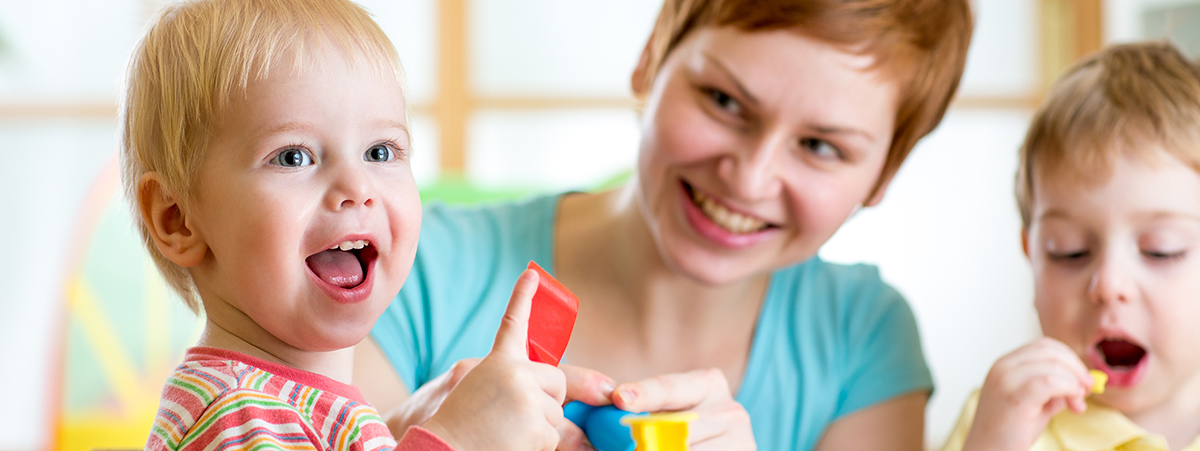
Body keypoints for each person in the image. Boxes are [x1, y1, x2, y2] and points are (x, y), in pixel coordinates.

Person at [356, 0, 974, 449]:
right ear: (651, 58)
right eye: (724, 102)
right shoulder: (411, 264)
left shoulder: (863, 337)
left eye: (820, 146)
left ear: (885, 173)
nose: (750, 179)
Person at [125, 1, 595, 449]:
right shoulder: (238, 417)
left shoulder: (301, 408)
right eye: (294, 157)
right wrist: (459, 441)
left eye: (380, 152)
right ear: (178, 219)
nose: (357, 186)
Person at [941, 42, 1200, 451]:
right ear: (1032, 257)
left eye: (1160, 250)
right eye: (1070, 251)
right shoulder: (1002, 419)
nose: (1109, 284)